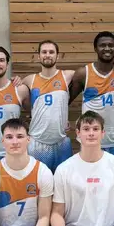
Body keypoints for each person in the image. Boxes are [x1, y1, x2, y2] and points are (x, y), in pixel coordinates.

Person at [67, 32, 114, 158]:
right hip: (89, 140)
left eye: (111, 45)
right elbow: (65, 101)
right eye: (102, 45)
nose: (107, 48)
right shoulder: (84, 73)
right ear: (95, 48)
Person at [24, 40, 75, 172]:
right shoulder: (29, 80)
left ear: (58, 56)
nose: (47, 55)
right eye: (44, 52)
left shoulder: (67, 75)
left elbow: (91, 73)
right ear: (38, 56)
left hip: (61, 141)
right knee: (39, 181)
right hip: (37, 142)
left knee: (63, 181)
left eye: (51, 52)